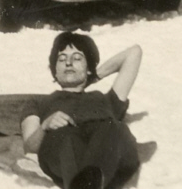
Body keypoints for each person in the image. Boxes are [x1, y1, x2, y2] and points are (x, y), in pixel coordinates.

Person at [20, 32, 142, 189]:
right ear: (55, 70)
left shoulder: (105, 99)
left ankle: (88, 181)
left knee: (112, 128)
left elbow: (134, 53)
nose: (68, 63)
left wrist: (93, 76)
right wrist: (45, 126)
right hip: (65, 147)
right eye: (61, 59)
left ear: (89, 67)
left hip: (107, 148)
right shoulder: (38, 102)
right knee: (64, 137)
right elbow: (29, 146)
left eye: (77, 58)